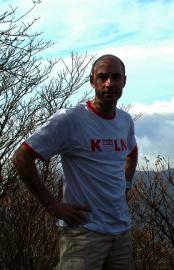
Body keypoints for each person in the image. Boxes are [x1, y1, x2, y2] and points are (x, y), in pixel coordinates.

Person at [12, 54, 138, 270]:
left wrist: (126, 183)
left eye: (116, 77)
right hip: (83, 235)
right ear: (92, 81)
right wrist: (52, 205)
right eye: (103, 77)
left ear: (124, 81)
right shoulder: (70, 119)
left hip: (120, 232)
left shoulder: (124, 120)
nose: (110, 83)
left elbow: (132, 151)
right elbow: (22, 157)